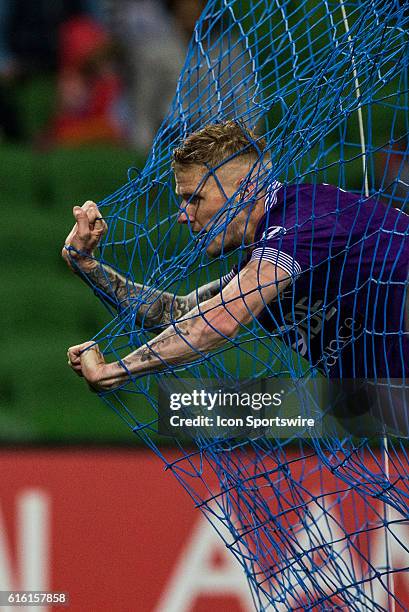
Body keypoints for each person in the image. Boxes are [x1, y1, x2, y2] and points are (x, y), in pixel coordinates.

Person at [63, 121, 409, 392]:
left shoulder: (302, 219)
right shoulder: (262, 256)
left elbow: (221, 322)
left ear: (245, 188)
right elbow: (177, 314)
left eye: (194, 198)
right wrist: (86, 263)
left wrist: (115, 372)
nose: (183, 215)